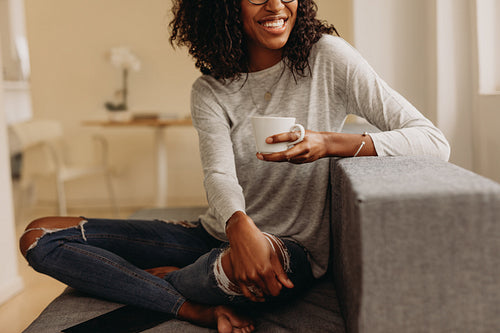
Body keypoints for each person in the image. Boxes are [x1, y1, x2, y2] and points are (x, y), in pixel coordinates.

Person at [19, 0, 450, 332]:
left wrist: (328, 143)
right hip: (216, 232)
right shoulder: (210, 90)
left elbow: (433, 141)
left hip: (290, 249)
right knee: (40, 238)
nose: (277, 5)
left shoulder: (328, 58)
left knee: (241, 272)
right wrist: (238, 225)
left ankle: (178, 285)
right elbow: (219, 175)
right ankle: (191, 302)